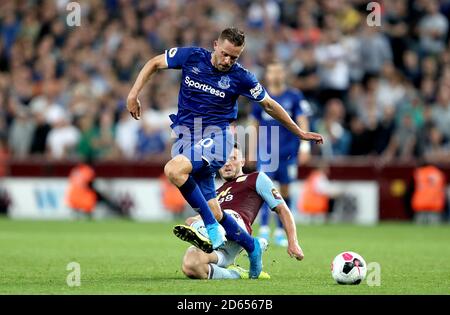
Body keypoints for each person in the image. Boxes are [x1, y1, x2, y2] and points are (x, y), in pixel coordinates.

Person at [126, 27, 323, 278]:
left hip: (217, 138)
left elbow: (270, 105)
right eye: (226, 54)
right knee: (216, 210)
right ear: (215, 45)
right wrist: (133, 94)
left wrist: (300, 133)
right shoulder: (192, 57)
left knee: (174, 169)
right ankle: (251, 248)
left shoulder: (242, 77)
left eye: (235, 57)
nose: (228, 61)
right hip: (187, 137)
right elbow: (154, 63)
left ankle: (209, 228)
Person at [173, 143, 304, 280]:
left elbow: (282, 209)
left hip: (238, 230)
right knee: (191, 264)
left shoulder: (256, 178)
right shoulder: (215, 193)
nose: (227, 164)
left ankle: (208, 235)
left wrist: (293, 242)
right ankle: (236, 273)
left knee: (218, 214)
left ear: (243, 161)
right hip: (223, 245)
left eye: (233, 158)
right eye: (223, 160)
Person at [250, 60, 312, 246]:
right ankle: (263, 229)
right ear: (267, 75)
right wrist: (251, 152)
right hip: (266, 153)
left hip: (288, 153)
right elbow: (254, 126)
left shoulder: (294, 96)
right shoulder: (259, 96)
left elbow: (302, 120)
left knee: (284, 191)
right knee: (263, 190)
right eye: (272, 72)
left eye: (278, 71)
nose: (275, 75)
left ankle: (279, 231)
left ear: (283, 74)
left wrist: (305, 147)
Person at [409, 160, 447, 224]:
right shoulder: (439, 173)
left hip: (421, 202)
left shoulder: (419, 172)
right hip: (435, 203)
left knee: (419, 227)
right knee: (434, 227)